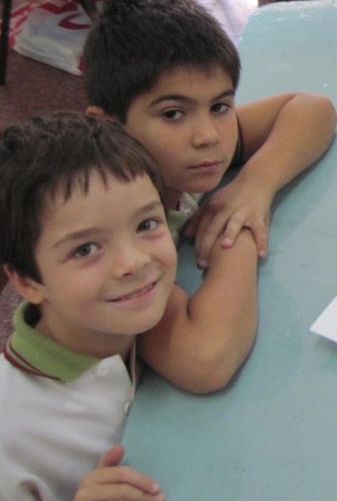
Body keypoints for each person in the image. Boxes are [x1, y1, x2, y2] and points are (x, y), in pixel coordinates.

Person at [0, 112, 255, 500]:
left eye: (146, 225)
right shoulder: (11, 434)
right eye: (86, 249)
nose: (133, 262)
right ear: (26, 282)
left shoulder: (117, 318)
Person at [81, 0, 337, 263]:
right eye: (173, 114)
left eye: (219, 107)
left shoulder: (184, 165)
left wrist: (255, 185)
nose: (209, 136)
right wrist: (238, 237)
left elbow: (314, 109)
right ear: (108, 127)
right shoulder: (113, 233)